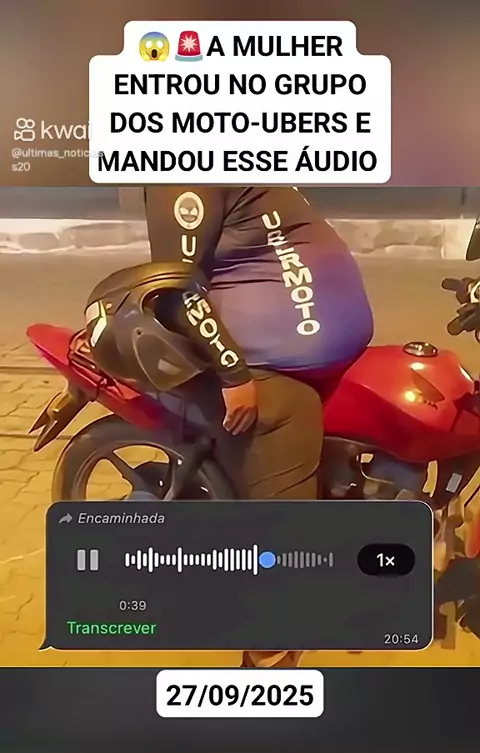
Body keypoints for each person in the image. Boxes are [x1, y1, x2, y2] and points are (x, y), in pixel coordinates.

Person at [85, 186, 374, 668]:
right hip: (243, 364)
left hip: (301, 348)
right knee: (284, 412)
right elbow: (174, 290)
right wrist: (234, 374)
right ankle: (268, 647)